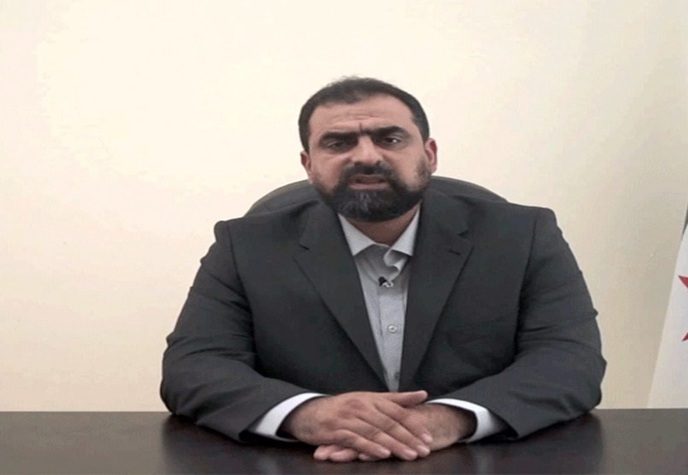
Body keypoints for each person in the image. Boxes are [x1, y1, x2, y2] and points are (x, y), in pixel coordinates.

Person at [161, 77, 606, 463]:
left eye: (390, 139)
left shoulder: (522, 235)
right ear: (308, 165)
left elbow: (569, 361)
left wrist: (449, 419)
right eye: (338, 143)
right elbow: (194, 366)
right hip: (309, 463)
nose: (366, 156)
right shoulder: (246, 245)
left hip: (478, 460)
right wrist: (307, 414)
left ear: (430, 154)